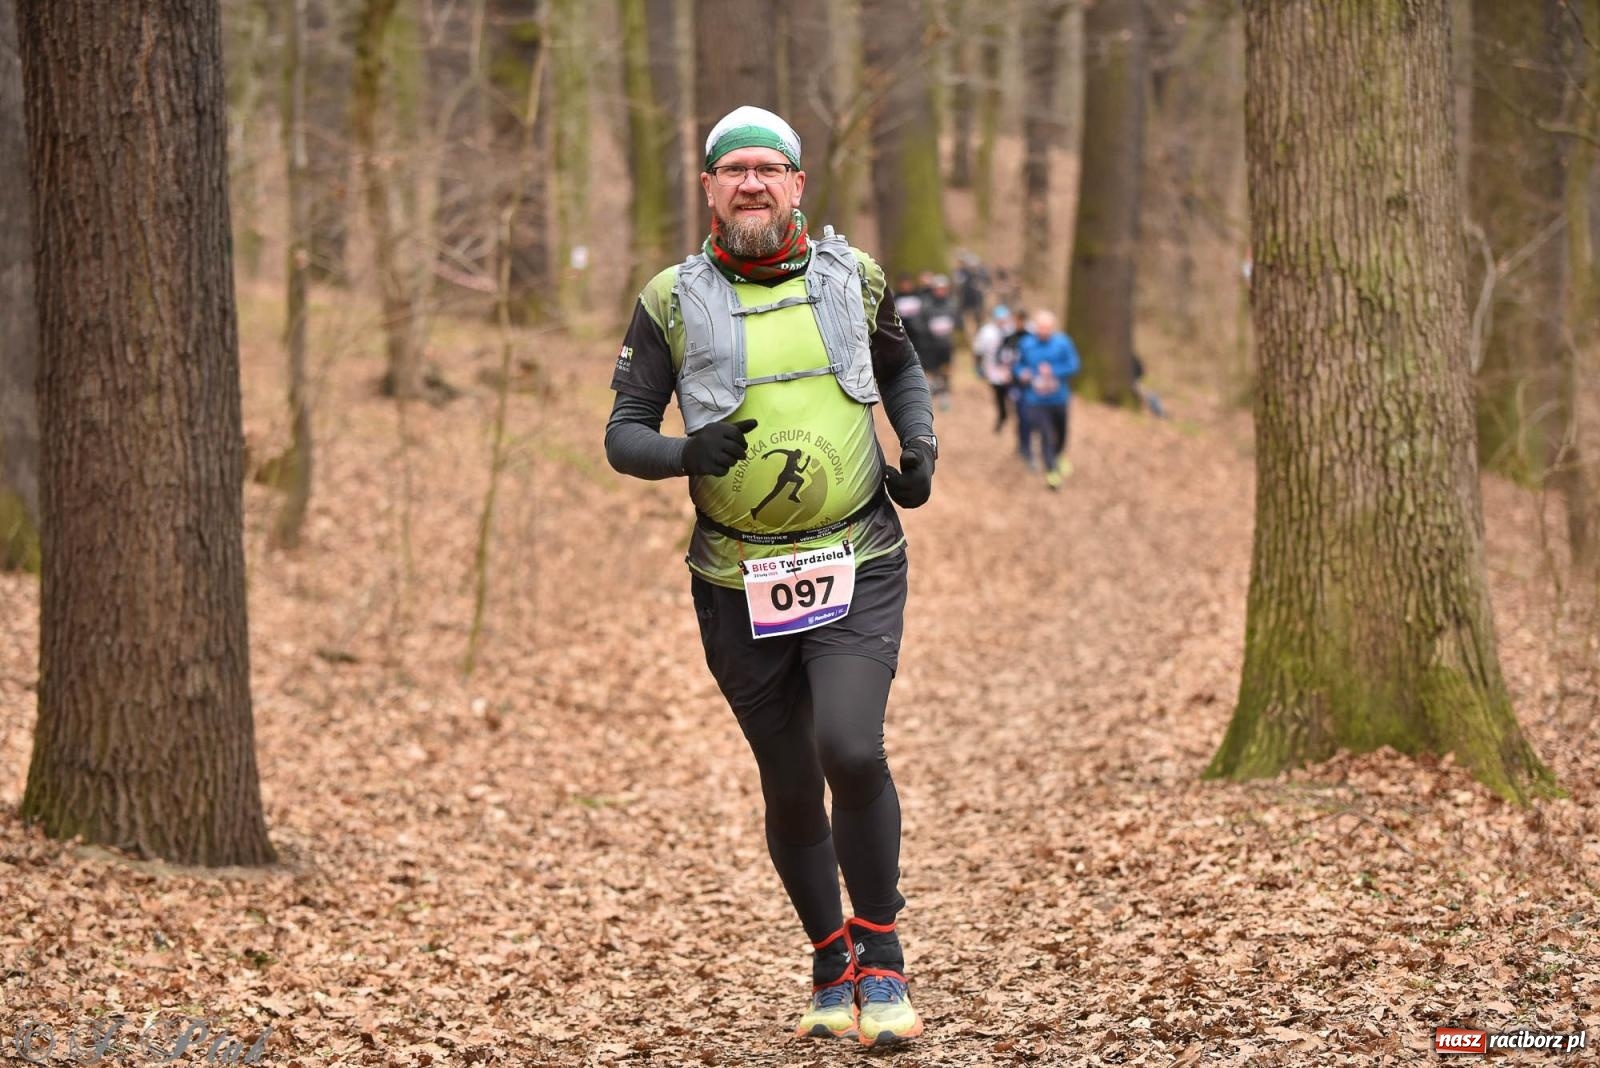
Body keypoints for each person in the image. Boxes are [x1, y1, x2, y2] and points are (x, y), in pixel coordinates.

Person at [604, 105, 934, 1048]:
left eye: (769, 168)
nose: (751, 182)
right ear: (708, 187)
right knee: (790, 783)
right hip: (733, 580)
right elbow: (622, 434)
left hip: (856, 556)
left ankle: (884, 960)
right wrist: (684, 452)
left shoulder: (852, 276)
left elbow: (903, 371)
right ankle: (830, 961)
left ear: (798, 184)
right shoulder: (670, 298)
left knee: (852, 749)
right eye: (732, 168)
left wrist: (920, 445)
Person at [1014, 310, 1080, 489]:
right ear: (1035, 327)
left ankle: (1059, 455)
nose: (1043, 331)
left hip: (1058, 398)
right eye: (1040, 327)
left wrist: (1053, 371)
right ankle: (1051, 472)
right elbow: (1018, 366)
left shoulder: (1063, 342)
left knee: (1062, 432)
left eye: (1047, 328)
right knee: (1045, 434)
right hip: (1036, 399)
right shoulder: (1026, 344)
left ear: (1053, 328)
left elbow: (1074, 365)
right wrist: (1022, 373)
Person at [918, 275, 960, 410]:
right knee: (932, 369)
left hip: (946, 344)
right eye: (937, 289)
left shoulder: (952, 303)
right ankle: (936, 388)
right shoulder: (927, 303)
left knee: (946, 370)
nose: (940, 291)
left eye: (943, 289)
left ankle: (944, 393)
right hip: (931, 345)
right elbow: (921, 322)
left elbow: (958, 321)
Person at [972, 305, 1016, 433]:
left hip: (1010, 370)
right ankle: (1002, 416)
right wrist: (978, 366)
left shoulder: (1012, 330)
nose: (1002, 321)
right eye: (999, 319)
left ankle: (1013, 417)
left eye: (1004, 319)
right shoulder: (987, 332)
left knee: (1012, 396)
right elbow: (978, 350)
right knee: (999, 396)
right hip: (993, 371)